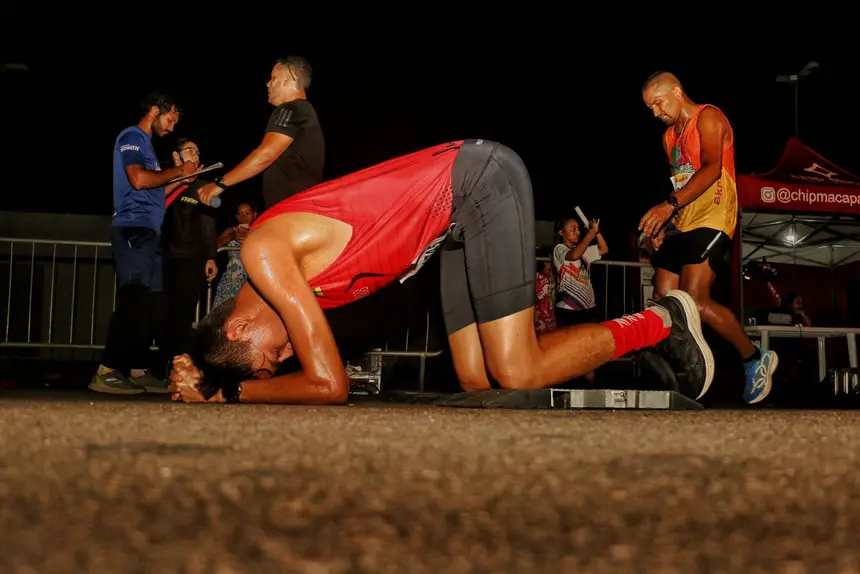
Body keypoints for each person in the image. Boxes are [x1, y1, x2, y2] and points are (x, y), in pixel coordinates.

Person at [170, 139, 716, 405]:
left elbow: (329, 385)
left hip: (478, 183)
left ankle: (662, 320)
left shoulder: (265, 254)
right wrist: (198, 365)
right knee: (481, 387)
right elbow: (228, 339)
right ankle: (656, 334)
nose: (285, 354)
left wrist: (227, 394)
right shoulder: (278, 289)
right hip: (451, 228)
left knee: (518, 370)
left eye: (270, 356)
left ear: (239, 327)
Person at [639, 71, 778, 405]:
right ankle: (680, 368)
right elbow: (680, 183)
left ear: (676, 90)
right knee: (663, 297)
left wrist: (666, 206)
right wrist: (664, 221)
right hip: (684, 219)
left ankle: (752, 357)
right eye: (651, 110)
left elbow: (713, 168)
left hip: (715, 215)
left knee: (694, 298)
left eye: (658, 103)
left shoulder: (709, 116)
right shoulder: (669, 138)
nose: (656, 113)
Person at [89, 92, 198, 395]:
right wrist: (179, 170)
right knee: (134, 297)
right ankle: (106, 370)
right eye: (170, 119)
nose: (172, 127)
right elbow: (137, 179)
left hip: (150, 231)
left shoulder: (148, 146)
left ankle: (136, 369)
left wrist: (181, 181)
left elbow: (155, 193)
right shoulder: (132, 136)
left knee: (150, 303)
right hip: (133, 229)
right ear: (154, 111)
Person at [197, 56, 324, 210]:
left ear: (288, 80)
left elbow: (266, 154)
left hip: (292, 211)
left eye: (273, 78)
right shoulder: (305, 112)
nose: (268, 84)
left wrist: (220, 184)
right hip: (300, 209)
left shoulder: (291, 109)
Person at [154, 138, 219, 381]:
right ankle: (160, 365)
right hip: (161, 258)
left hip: (191, 258)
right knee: (159, 313)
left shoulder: (203, 186)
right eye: (190, 150)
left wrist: (211, 257)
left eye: (198, 151)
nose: (195, 155)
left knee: (182, 314)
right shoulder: (163, 181)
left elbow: (208, 223)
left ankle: (178, 369)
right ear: (177, 157)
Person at [553, 216, 609, 383]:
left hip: (588, 308)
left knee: (590, 350)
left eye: (578, 228)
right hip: (568, 310)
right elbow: (574, 255)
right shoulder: (559, 249)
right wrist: (589, 235)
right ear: (561, 232)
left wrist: (596, 233)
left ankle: (590, 385)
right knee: (569, 350)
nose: (577, 232)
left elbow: (604, 249)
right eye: (572, 229)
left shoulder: (583, 249)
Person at [212, 202, 258, 308]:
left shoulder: (260, 230)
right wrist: (231, 237)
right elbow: (214, 246)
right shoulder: (230, 231)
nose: (244, 217)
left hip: (253, 277)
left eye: (247, 213)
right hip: (232, 278)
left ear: (254, 214)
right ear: (236, 216)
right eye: (240, 214)